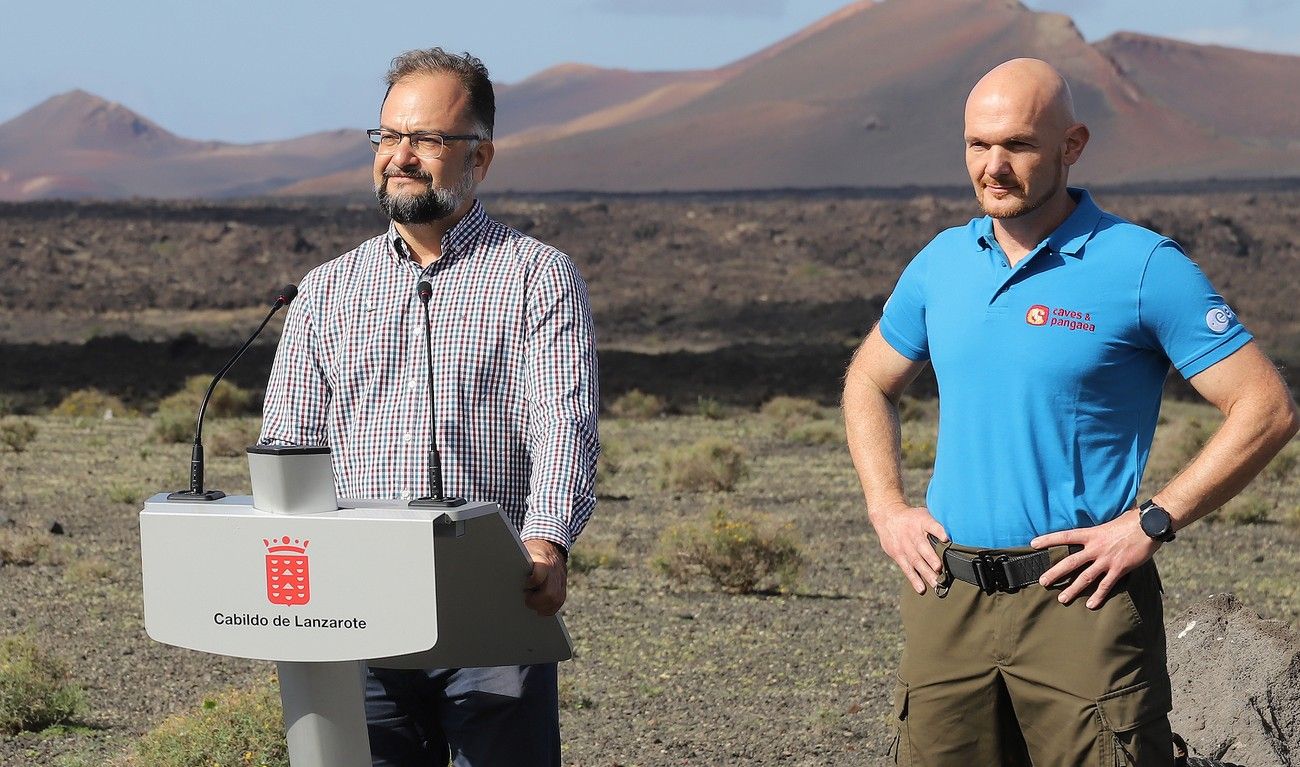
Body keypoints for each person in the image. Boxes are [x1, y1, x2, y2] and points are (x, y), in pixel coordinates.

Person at [842, 58, 1299, 766]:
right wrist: (885, 507)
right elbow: (869, 381)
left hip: (1081, 603)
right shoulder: (941, 262)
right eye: (977, 144)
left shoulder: (1144, 264)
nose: (993, 165)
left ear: (1072, 145)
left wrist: (1152, 520)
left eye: (1018, 145)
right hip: (946, 597)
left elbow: (1265, 408)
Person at [259, 48, 599, 766]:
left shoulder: (538, 278)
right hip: (353, 608)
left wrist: (548, 541)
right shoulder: (324, 292)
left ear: (483, 156)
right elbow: (287, 443)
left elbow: (561, 421)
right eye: (388, 137)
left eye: (427, 140)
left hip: (490, 607)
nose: (401, 157)